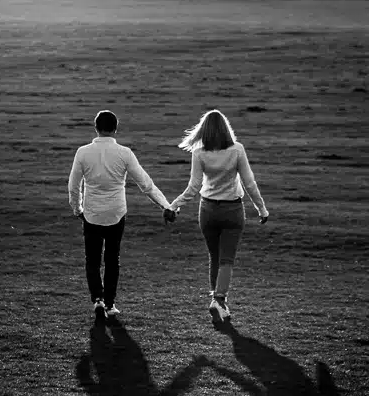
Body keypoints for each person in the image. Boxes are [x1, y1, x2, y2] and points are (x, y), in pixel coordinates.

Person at [67, 109, 177, 322]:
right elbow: (146, 184)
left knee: (92, 259)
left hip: (91, 213)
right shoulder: (125, 153)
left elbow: (73, 186)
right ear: (115, 129)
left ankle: (97, 299)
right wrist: (166, 205)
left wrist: (77, 209)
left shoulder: (83, 152)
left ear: (96, 127)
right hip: (117, 213)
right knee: (112, 259)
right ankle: (110, 304)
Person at [175, 109, 268, 322]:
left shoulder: (199, 153)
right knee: (227, 259)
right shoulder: (236, 150)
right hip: (233, 210)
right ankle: (219, 299)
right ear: (226, 128)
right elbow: (249, 183)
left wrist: (175, 205)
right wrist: (261, 209)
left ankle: (218, 303)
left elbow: (194, 186)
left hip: (207, 210)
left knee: (214, 257)